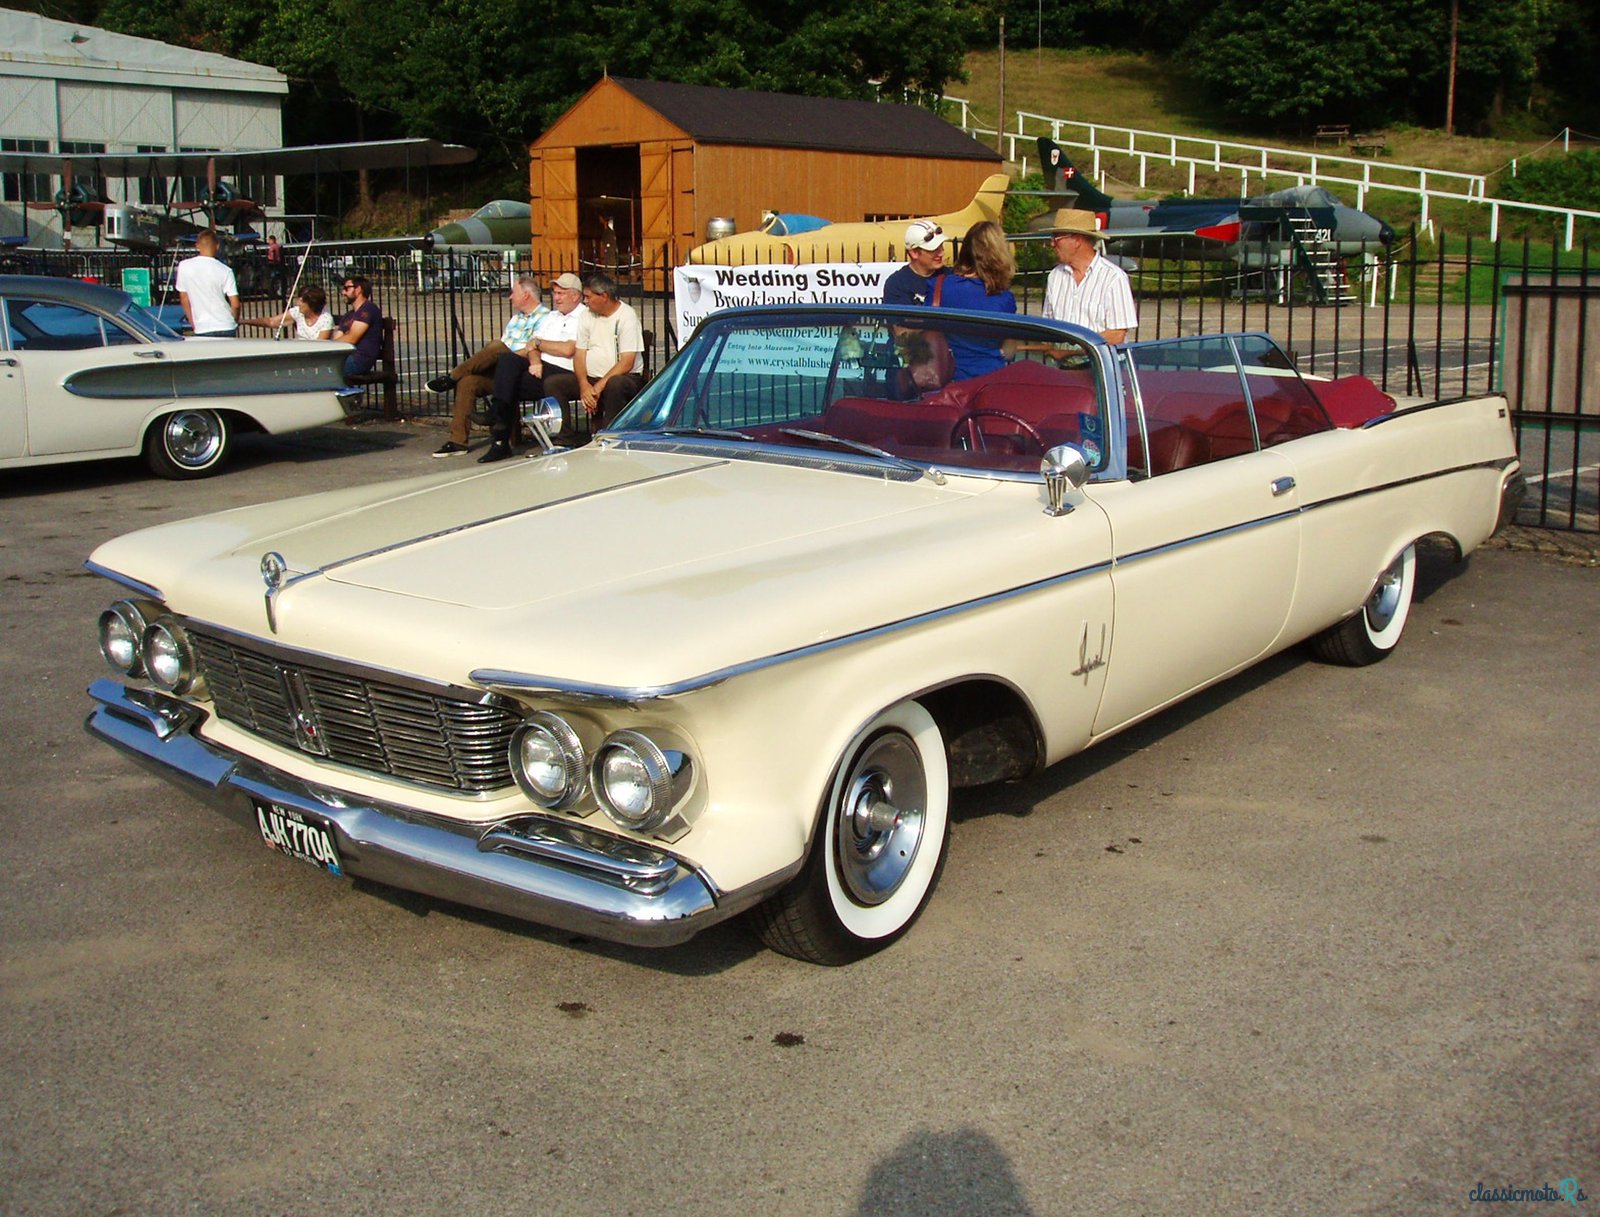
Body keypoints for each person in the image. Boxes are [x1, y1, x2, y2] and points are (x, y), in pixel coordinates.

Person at [426, 275, 550, 458]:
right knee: (468, 382)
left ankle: (451, 378)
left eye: (513, 292)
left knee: (496, 346)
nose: (510, 297)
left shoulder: (546, 318)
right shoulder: (516, 319)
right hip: (501, 369)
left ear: (526, 295)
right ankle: (458, 441)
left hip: (521, 369)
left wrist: (507, 356)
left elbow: (533, 349)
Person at [482, 272, 590, 452]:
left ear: (575, 296)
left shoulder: (583, 317)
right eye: (555, 293)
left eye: (561, 293)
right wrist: (535, 362)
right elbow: (531, 345)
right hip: (541, 367)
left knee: (507, 383)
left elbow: (567, 350)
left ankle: (499, 429)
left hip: (565, 370)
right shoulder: (552, 316)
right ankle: (500, 438)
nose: (556, 298)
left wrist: (539, 345)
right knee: (508, 366)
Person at [1038, 208, 1137, 344]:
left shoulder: (1113, 277)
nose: (1052, 243)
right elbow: (1049, 327)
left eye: (1056, 238)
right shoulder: (1055, 276)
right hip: (1061, 356)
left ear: (1077, 240)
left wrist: (1075, 350)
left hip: (1099, 357)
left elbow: (1117, 335)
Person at [938, 220, 1017, 379]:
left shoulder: (940, 286)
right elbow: (1009, 351)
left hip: (948, 376)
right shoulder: (1004, 298)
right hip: (989, 377)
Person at [573, 271, 644, 425]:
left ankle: (610, 431)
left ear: (604, 296)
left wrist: (598, 387)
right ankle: (563, 435)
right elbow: (579, 354)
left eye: (588, 297)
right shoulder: (586, 315)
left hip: (624, 377)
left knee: (615, 384)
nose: (585, 301)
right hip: (592, 377)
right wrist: (584, 384)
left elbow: (627, 362)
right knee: (555, 383)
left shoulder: (627, 316)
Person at [174, 231, 239, 338]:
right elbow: (235, 304)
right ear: (217, 246)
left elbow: (184, 298)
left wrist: (192, 322)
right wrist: (234, 320)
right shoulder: (226, 270)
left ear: (197, 245)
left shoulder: (184, 266)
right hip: (226, 324)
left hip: (202, 326)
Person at [882, 219, 948, 307]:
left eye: (941, 246)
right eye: (934, 249)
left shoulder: (953, 277)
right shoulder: (898, 284)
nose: (941, 253)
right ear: (914, 253)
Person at [331, 274, 385, 378]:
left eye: (346, 288)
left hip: (359, 360)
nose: (343, 292)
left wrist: (330, 345)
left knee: (320, 368)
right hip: (343, 358)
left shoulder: (368, 309)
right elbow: (337, 338)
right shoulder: (348, 316)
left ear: (358, 289)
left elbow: (351, 338)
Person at [237, 285, 334, 341]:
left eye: (301, 301)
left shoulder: (325, 319)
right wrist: (244, 321)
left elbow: (320, 345)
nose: (298, 303)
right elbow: (271, 322)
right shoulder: (297, 312)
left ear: (312, 303)